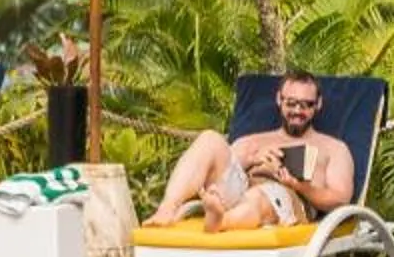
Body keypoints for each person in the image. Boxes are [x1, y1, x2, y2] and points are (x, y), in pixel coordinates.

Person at [146, 70, 351, 230]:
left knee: (261, 195)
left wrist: (300, 186)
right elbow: (220, 171)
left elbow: (341, 198)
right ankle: (167, 209)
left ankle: (220, 221)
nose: (297, 111)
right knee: (209, 139)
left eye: (306, 104)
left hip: (288, 199)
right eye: (291, 103)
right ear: (279, 100)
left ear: (318, 104)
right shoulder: (253, 141)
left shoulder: (333, 148)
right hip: (241, 191)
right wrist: (252, 159)